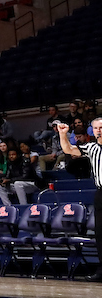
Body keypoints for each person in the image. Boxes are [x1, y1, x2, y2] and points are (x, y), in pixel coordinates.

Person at [56, 119, 102, 280]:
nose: (99, 130)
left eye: (101, 127)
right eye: (96, 128)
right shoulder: (91, 147)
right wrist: (63, 134)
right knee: (100, 234)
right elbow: (68, 149)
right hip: (101, 193)